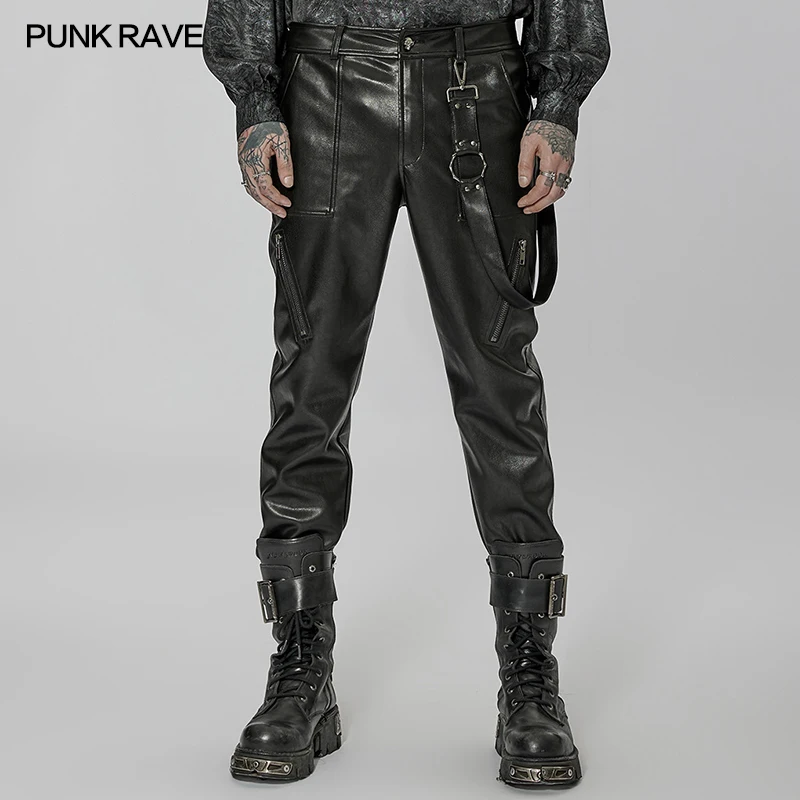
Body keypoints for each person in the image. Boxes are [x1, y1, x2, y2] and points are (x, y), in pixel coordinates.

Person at [202, 0, 610, 789]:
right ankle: (301, 667)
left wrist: (558, 100)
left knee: (499, 384)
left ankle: (529, 670)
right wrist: (254, 96)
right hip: (323, 85)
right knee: (311, 380)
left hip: (474, 83)